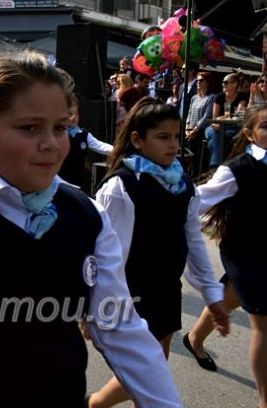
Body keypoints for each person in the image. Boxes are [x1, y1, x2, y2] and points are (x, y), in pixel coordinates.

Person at [0, 54, 183, 407]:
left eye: (60, 127)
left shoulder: (86, 214)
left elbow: (122, 329)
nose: (52, 144)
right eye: (30, 128)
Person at [90, 97, 229, 407]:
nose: (173, 145)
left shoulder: (183, 185)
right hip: (130, 294)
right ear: (138, 140)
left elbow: (193, 241)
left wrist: (211, 292)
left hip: (166, 289)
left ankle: (93, 404)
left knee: (155, 366)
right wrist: (94, 304)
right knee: (149, 375)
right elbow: (105, 253)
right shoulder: (121, 187)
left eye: (176, 137)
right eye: (163, 137)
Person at [183, 104, 267, 407]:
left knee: (229, 297)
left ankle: (194, 339)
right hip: (245, 252)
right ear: (249, 133)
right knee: (263, 323)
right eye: (266, 126)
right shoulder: (237, 169)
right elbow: (195, 200)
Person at [58, 95, 112, 187]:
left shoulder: (83, 134)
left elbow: (99, 145)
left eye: (77, 113)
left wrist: (118, 150)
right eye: (70, 114)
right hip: (60, 180)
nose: (74, 117)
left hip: (76, 180)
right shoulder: (59, 133)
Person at [205, 73, 249, 169]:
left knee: (212, 142)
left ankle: (214, 167)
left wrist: (223, 119)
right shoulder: (219, 97)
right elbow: (215, 119)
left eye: (226, 82)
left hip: (230, 128)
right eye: (222, 82)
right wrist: (222, 121)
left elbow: (239, 116)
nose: (223, 85)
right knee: (215, 133)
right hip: (214, 128)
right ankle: (217, 167)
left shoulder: (242, 97)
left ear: (235, 84)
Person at [185, 72, 216, 176]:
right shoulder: (194, 97)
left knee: (199, 158)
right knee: (190, 157)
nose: (198, 82)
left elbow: (207, 116)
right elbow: (189, 113)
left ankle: (198, 177)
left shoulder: (211, 97)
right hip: (190, 130)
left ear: (208, 83)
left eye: (201, 80)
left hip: (201, 131)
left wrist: (196, 129)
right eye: (197, 80)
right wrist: (187, 127)